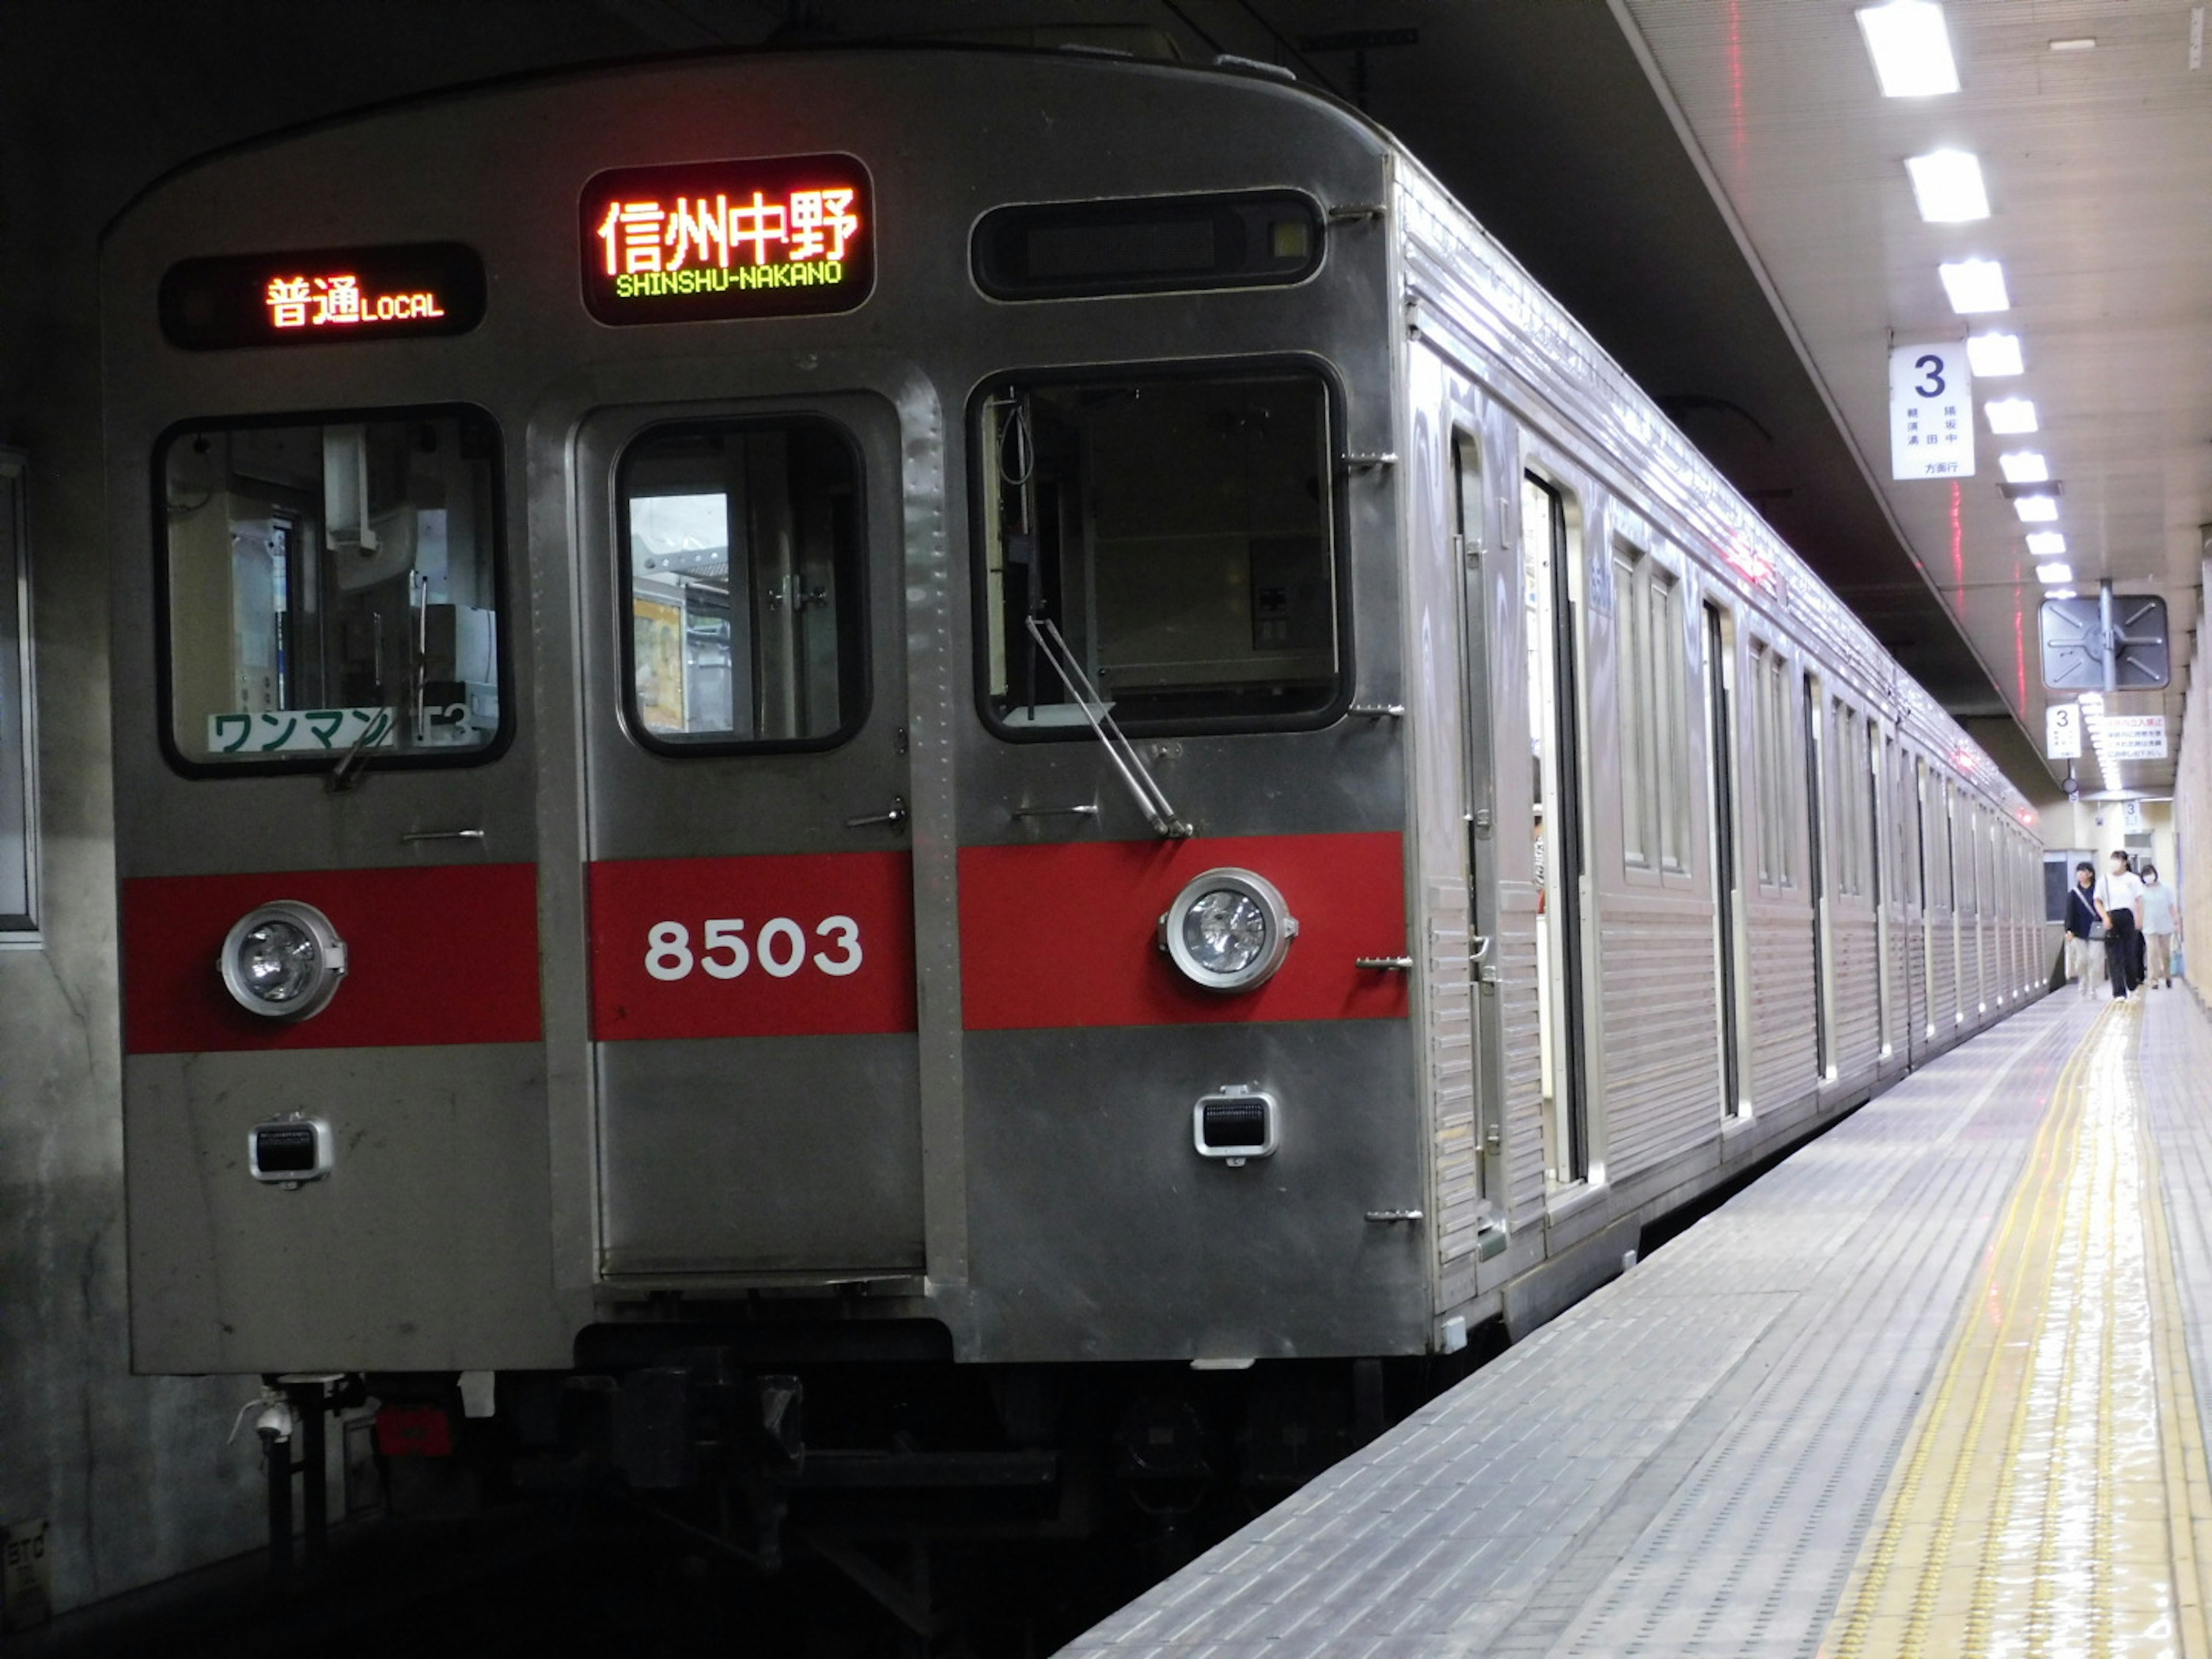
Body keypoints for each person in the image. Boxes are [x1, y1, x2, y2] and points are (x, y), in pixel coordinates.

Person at [2097, 849, 2146, 1002]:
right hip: (2111, 916)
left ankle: (2132, 986)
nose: (2115, 863)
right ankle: (2118, 992)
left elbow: (2139, 901)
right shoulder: (2103, 880)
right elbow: (2097, 901)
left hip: (2128, 916)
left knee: (2129, 954)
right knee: (2113, 956)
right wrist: (2104, 917)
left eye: (2118, 860)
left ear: (2125, 862)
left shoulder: (2132, 879)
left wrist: (2139, 919)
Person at [2139, 862, 2180, 990]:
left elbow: (2171, 906)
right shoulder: (2141, 890)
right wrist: (2139, 922)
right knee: (2152, 953)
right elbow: (2139, 908)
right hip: (2149, 926)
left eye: (2150, 874)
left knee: (2165, 953)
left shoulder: (2166, 888)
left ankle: (2168, 976)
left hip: (2165, 925)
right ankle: (2154, 980)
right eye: (2146, 875)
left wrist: (2176, 921)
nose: (2148, 877)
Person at [2063, 861, 2100, 997]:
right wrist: (2068, 930)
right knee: (2081, 960)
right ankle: (2083, 980)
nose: (2079, 874)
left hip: (2096, 929)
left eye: (2083, 871)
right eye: (2078, 872)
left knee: (2094, 959)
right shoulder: (2074, 893)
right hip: (2078, 931)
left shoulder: (2098, 891)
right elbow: (2069, 913)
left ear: (2090, 874)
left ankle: (2092, 987)